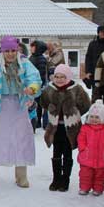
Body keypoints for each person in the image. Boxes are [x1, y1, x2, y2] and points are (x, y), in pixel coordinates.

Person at [0, 36, 42, 188]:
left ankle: (21, 176)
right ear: (2, 50)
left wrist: (32, 88)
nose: (11, 54)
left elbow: (35, 79)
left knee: (21, 138)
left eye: (13, 50)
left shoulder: (24, 63)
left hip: (18, 106)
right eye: (7, 51)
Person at [39, 64, 91, 192]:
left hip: (71, 128)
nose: (59, 79)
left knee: (67, 153)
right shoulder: (49, 89)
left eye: (62, 77)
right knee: (56, 152)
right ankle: (56, 179)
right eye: (56, 76)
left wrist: (75, 113)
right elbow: (44, 102)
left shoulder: (76, 89)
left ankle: (65, 180)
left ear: (68, 77)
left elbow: (85, 104)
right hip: (55, 127)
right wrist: (52, 110)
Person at [77, 100, 104, 196]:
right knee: (85, 174)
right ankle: (84, 188)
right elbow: (81, 139)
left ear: (102, 117)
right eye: (92, 117)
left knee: (100, 175)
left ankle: (98, 189)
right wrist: (82, 149)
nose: (94, 119)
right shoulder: (85, 128)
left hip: (102, 157)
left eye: (97, 117)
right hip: (87, 156)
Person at [84, 26, 104, 100]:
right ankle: (95, 111)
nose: (103, 33)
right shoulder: (92, 44)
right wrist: (88, 71)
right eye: (101, 32)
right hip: (95, 73)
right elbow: (88, 58)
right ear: (98, 33)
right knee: (96, 94)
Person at [29, 40, 48, 129]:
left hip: (37, 85)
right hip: (31, 84)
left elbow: (41, 73)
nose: (31, 48)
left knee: (37, 104)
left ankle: (37, 121)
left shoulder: (41, 59)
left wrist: (39, 84)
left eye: (33, 47)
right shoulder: (32, 57)